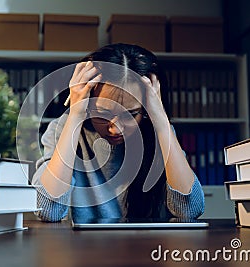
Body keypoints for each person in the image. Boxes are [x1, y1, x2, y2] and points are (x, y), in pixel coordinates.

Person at [31, 43, 205, 222]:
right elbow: (48, 210)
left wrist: (160, 118)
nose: (115, 129)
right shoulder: (62, 130)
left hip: (149, 246)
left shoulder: (160, 132)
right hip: (84, 248)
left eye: (130, 114)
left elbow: (189, 211)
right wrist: (75, 115)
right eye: (102, 114)